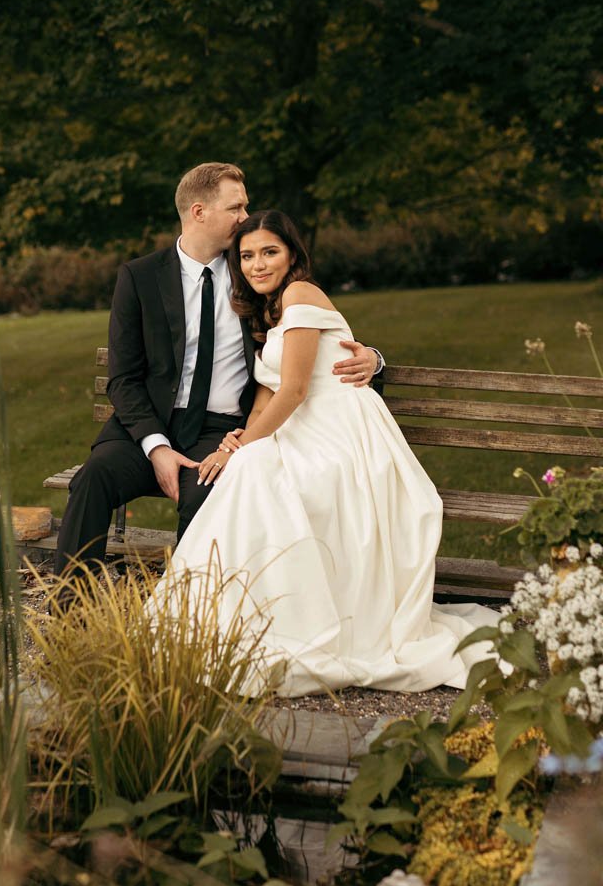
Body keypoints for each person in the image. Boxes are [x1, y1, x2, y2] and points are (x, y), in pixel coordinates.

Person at [158, 209, 500, 696]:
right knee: (251, 468)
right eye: (248, 255)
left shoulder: (300, 295)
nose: (257, 264)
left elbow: (294, 390)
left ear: (293, 255)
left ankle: (293, 617)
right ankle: (252, 608)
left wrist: (245, 446)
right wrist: (239, 440)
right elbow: (265, 393)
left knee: (263, 472)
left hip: (342, 431)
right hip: (301, 425)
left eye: (269, 252)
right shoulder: (267, 310)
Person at [55, 164, 383, 585]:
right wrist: (156, 447)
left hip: (223, 430)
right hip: (148, 426)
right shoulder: (139, 278)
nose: (246, 217)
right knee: (92, 479)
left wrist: (373, 359)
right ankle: (70, 616)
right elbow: (123, 379)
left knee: (209, 497)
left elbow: (318, 329)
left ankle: (193, 625)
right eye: (236, 207)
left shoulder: (254, 274)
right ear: (198, 212)